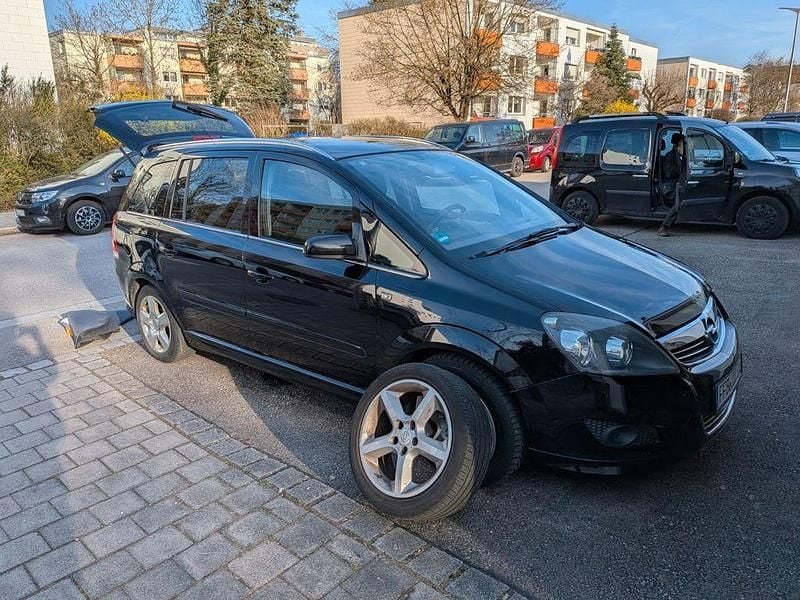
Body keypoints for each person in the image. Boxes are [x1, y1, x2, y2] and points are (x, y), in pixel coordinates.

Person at [657, 132, 687, 237]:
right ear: (677, 145)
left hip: (681, 183)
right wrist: (682, 169)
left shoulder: (683, 156)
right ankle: (664, 226)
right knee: (678, 204)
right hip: (672, 186)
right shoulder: (670, 156)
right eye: (684, 144)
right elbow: (669, 173)